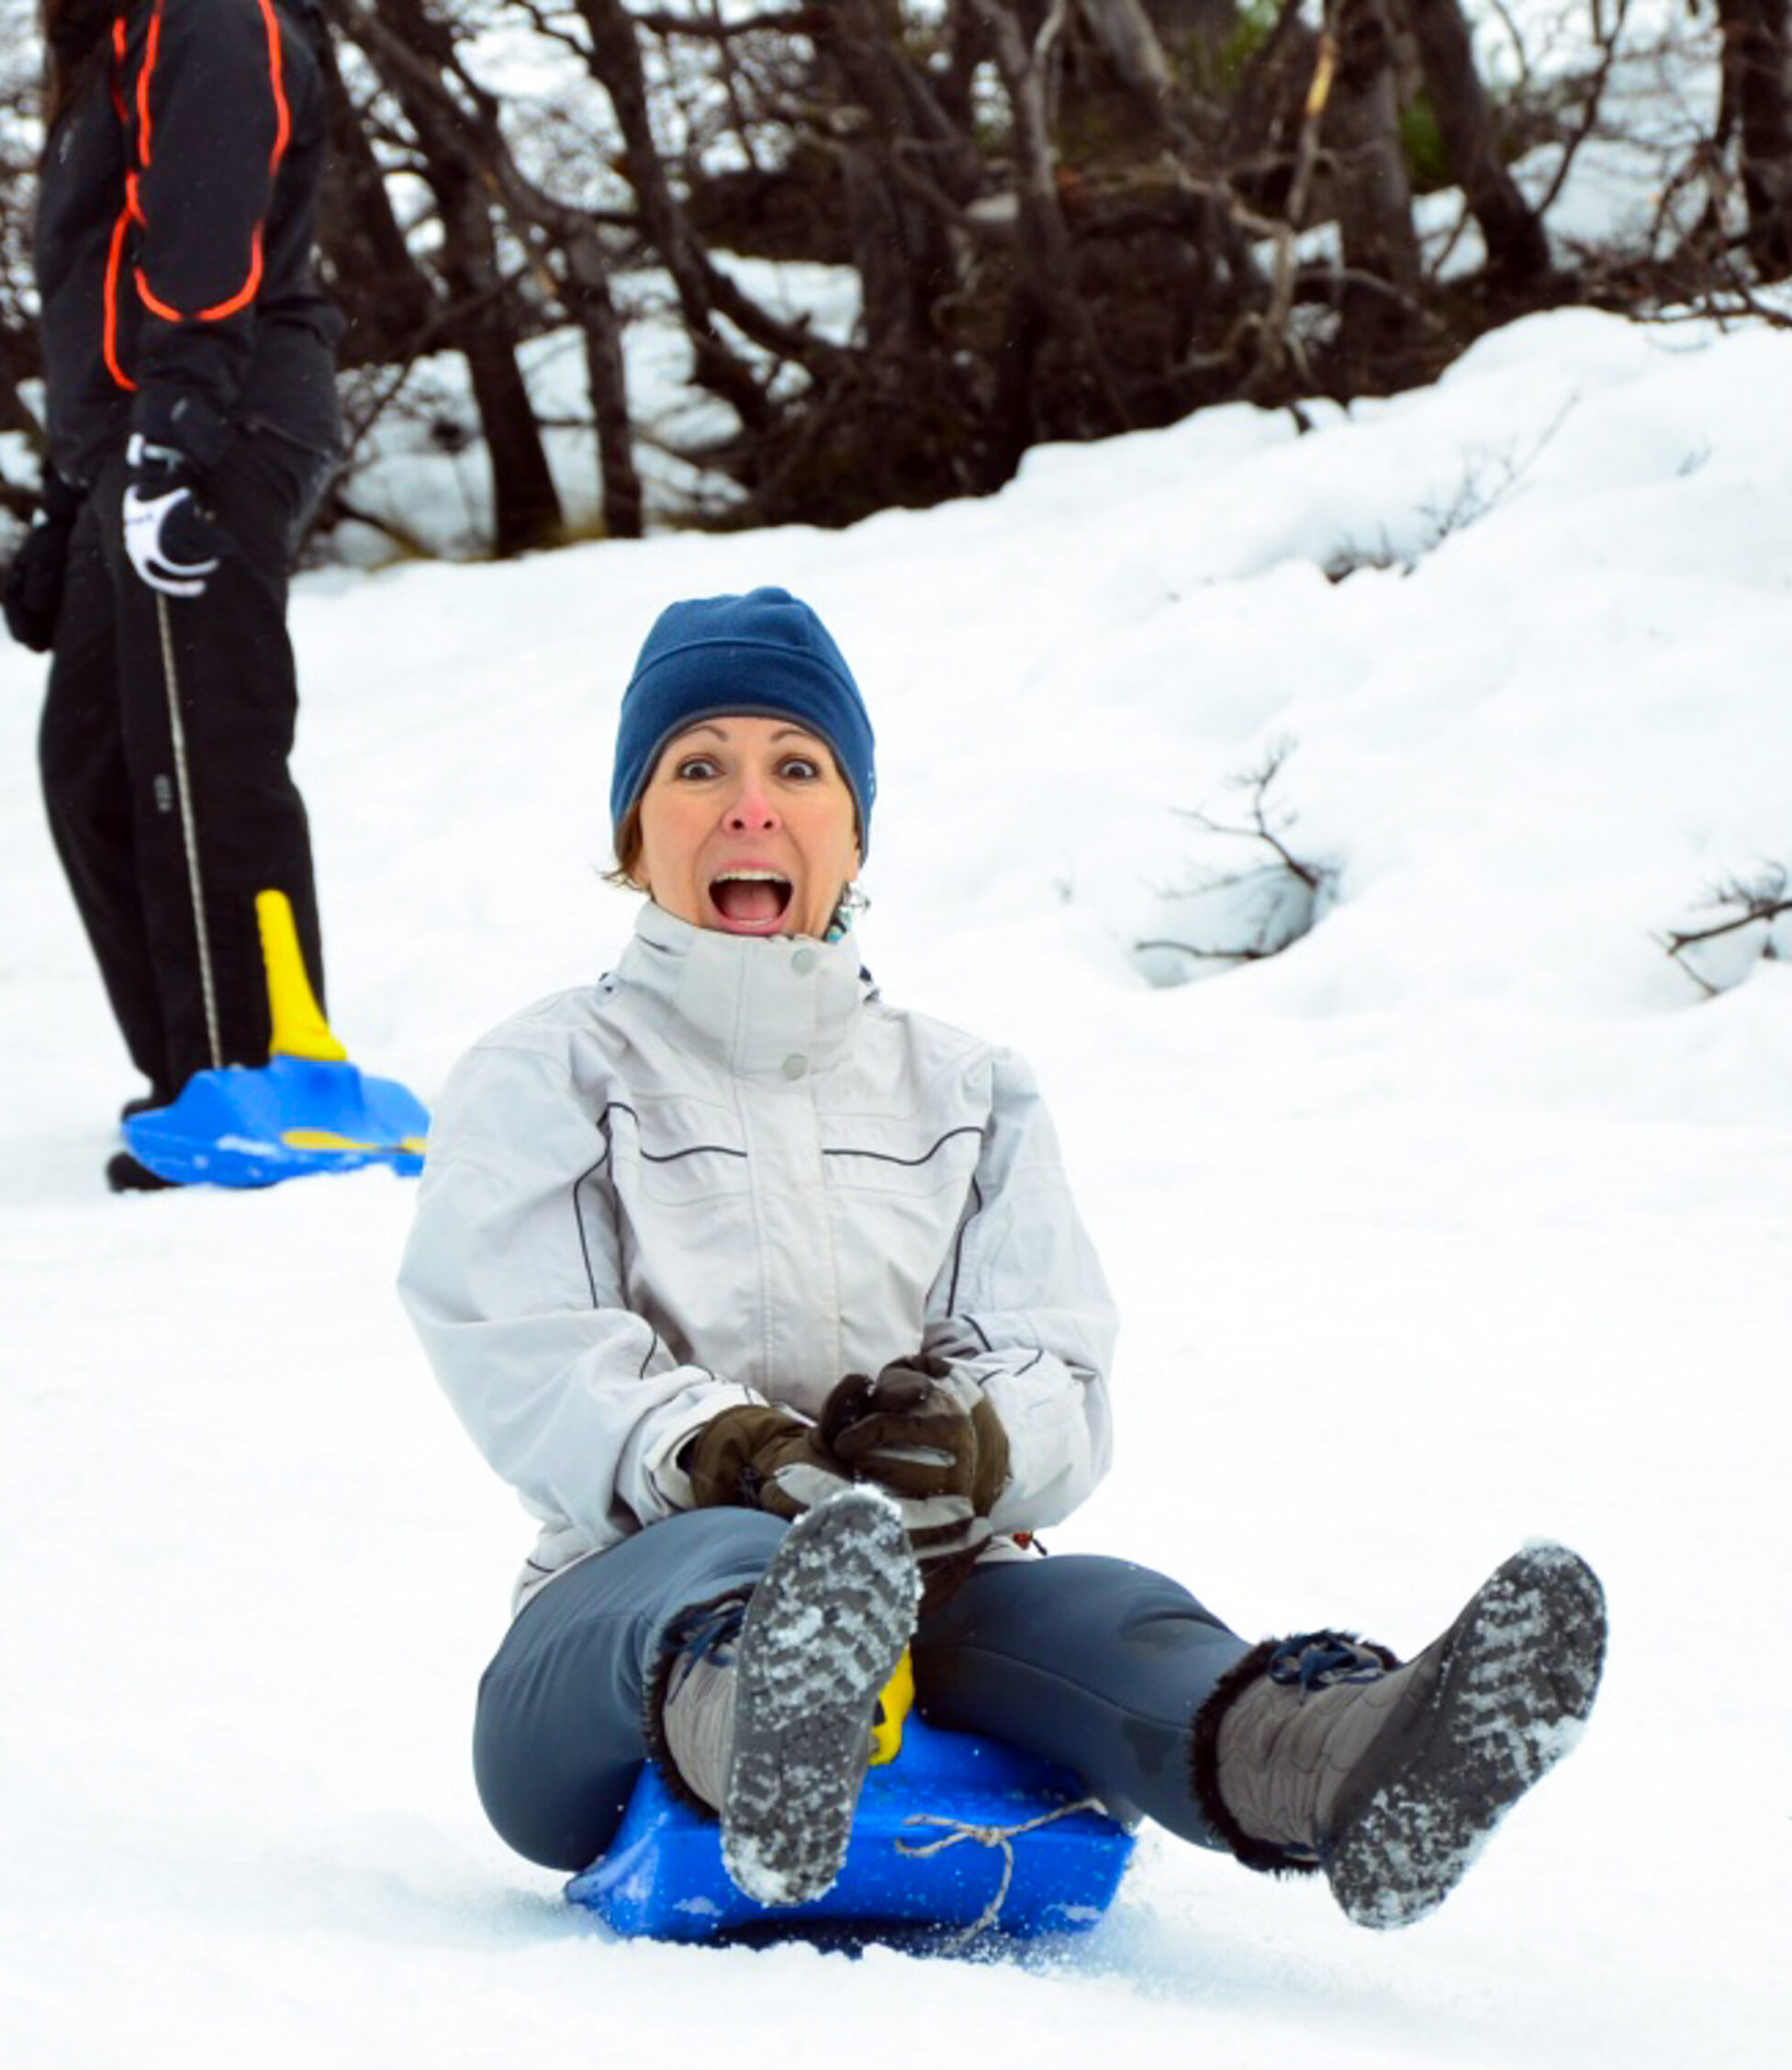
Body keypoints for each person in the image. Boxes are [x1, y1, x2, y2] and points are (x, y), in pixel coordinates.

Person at [398, 587, 1607, 1930]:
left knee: (1105, 1612)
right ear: (634, 833)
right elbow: (528, 1346)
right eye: (698, 769)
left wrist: (971, 1440)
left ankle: (1342, 1762)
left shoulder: (967, 1087)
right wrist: (724, 1449)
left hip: (932, 1583)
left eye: (797, 769)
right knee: (726, 1559)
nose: (749, 808)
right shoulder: (550, 1071)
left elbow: (1054, 1359)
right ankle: (770, 1724)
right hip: (608, 1643)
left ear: (855, 829)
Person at [3, 0, 342, 1192]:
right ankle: (193, 1080)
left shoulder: (208, 18)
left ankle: (258, 1081)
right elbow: (104, 291)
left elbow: (206, 233)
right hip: (136, 440)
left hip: (219, 416)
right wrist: (68, 498)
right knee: (95, 767)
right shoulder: (114, 46)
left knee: (203, 755)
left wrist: (178, 431)